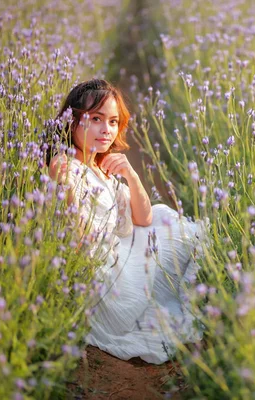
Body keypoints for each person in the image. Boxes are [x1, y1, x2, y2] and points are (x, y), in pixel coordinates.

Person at [47, 79, 205, 364]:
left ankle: (206, 294)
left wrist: (131, 176)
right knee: (182, 234)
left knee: (160, 213)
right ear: (72, 121)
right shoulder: (65, 165)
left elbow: (142, 219)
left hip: (115, 249)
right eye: (95, 119)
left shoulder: (100, 165)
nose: (106, 130)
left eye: (112, 121)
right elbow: (75, 234)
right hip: (103, 273)